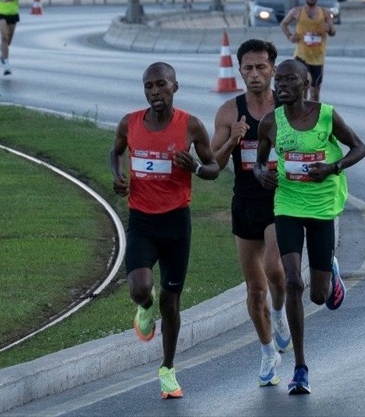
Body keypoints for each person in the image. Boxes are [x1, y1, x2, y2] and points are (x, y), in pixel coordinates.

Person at [254, 59, 365, 396]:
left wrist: (333, 167)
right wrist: (262, 175)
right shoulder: (270, 122)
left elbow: (359, 148)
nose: (281, 85)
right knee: (293, 282)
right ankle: (300, 368)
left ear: (306, 83)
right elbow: (258, 163)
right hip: (287, 205)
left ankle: (330, 269)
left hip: (321, 207)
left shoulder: (327, 115)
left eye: (290, 79)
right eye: (279, 80)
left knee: (318, 295)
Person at [109, 62, 220, 400]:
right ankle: (145, 306)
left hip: (176, 224)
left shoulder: (191, 126)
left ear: (175, 87)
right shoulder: (130, 123)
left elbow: (214, 167)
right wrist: (117, 176)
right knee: (139, 288)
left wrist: (196, 167)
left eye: (161, 84)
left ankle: (168, 369)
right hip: (142, 220)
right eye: (149, 86)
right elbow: (115, 151)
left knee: (171, 303)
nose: (155, 91)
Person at [209, 38, 291, 386]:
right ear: (240, 70)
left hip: (281, 200)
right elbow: (212, 164)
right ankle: (267, 351)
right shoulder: (230, 112)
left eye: (261, 67)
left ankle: (280, 311)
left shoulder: (288, 108)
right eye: (248, 68)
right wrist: (233, 139)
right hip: (245, 202)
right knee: (255, 290)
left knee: (274, 269)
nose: (255, 74)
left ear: (273, 69)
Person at [279, 0, 335, 102]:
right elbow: (283, 24)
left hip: (318, 58)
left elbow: (333, 32)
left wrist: (329, 29)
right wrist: (290, 36)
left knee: (315, 93)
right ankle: (301, 111)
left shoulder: (325, 13)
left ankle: (312, 112)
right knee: (304, 86)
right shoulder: (297, 11)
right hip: (301, 56)